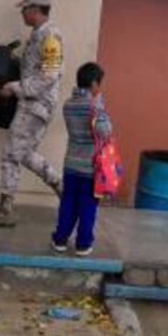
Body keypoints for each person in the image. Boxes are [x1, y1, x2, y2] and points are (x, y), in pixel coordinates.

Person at [0, 0, 64, 227]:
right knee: (22, 153)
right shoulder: (38, 35)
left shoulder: (50, 36)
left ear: (36, 9)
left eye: (25, 9)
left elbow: (48, 77)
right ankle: (60, 187)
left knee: (11, 154)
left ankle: (6, 211)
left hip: (36, 104)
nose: (22, 13)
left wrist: (14, 87)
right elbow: (37, 70)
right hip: (32, 104)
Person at [51, 62, 112, 256]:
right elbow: (105, 131)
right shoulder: (94, 106)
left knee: (68, 203)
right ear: (94, 83)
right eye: (98, 84)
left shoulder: (68, 104)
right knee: (87, 206)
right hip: (90, 167)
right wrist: (100, 106)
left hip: (70, 164)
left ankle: (60, 240)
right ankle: (83, 244)